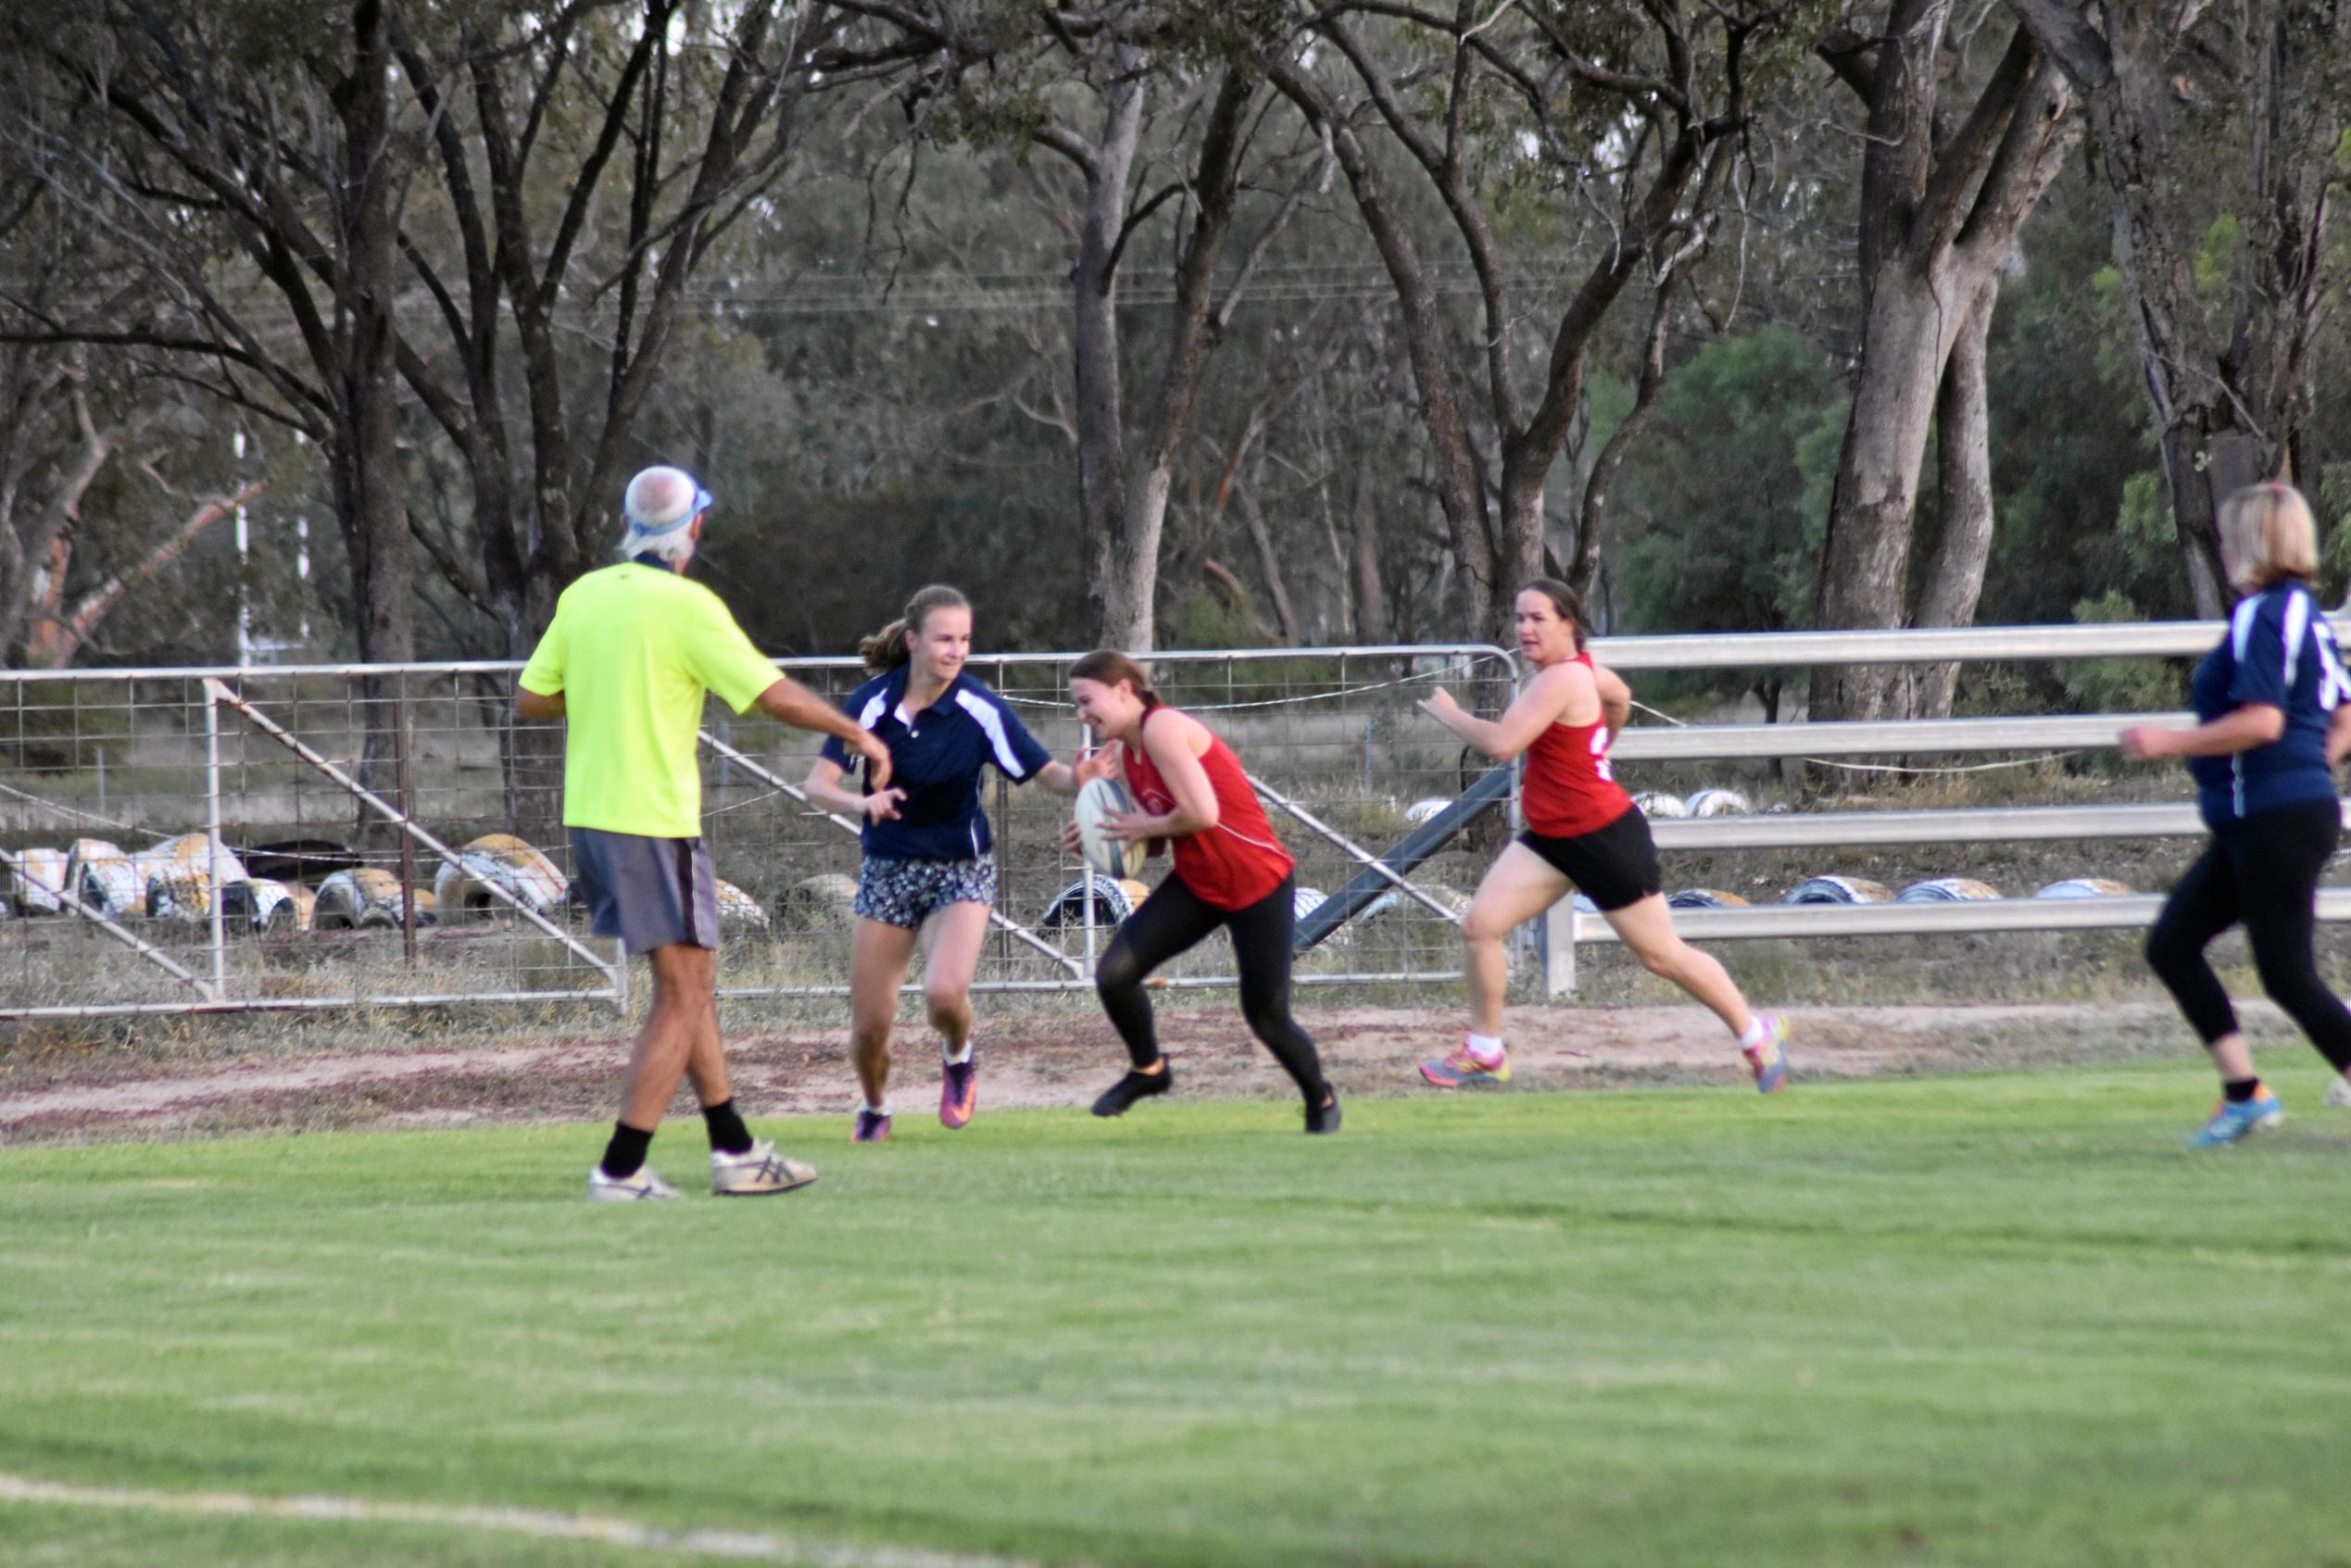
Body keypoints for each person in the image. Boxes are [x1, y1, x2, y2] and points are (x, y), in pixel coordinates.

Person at [518, 465, 894, 1201]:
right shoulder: (688, 606)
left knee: (689, 985)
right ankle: (621, 1169)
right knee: (683, 993)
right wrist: (859, 734)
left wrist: (613, 693)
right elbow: (770, 694)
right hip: (651, 819)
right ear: (693, 527)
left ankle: (735, 1149)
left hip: (591, 816)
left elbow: (533, 698)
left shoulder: (585, 594)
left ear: (630, 527)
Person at [1413, 578, 1790, 1091]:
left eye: (1537, 619)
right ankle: (1485, 1052)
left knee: (1661, 956)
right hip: (1551, 840)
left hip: (1605, 838)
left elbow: (1502, 745)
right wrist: (1599, 745)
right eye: (1519, 618)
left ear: (1568, 624)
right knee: (1480, 926)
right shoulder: (1583, 674)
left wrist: (1452, 714)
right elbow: (1619, 696)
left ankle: (1756, 1033)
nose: (1524, 629)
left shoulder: (1558, 680)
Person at [804, 585, 1087, 1143]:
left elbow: (1047, 774)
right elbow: (818, 785)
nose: (956, 651)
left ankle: (958, 1056)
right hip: (888, 869)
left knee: (943, 995)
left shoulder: (979, 707)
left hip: (962, 868)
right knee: (868, 1031)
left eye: (964, 640)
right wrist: (861, 803)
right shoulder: (870, 703)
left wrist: (1085, 780)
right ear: (913, 641)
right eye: (944, 639)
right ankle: (876, 1107)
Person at [2122, 481, 2351, 1145]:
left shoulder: (2262, 615)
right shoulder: (2302, 615)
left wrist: (2171, 741)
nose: (2223, 548)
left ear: (2254, 542)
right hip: (2269, 817)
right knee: (2172, 944)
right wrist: (2312, 766)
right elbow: (2343, 713)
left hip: (2272, 818)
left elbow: (2262, 720)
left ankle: (2250, 1094)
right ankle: (2244, 1092)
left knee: (2287, 974)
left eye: (2229, 536)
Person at [1066, 650, 1341, 1134]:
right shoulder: (1131, 754)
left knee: (1266, 1015)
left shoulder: (1161, 728)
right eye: (1076, 704)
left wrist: (1139, 825)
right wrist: (1102, 833)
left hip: (1258, 883)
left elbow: (1202, 813)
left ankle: (1320, 1099)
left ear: (1125, 690)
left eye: (1087, 700)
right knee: (1114, 975)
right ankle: (1149, 1071)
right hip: (1199, 884)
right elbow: (1154, 844)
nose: (1081, 714)